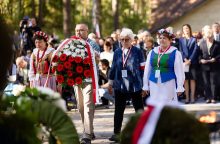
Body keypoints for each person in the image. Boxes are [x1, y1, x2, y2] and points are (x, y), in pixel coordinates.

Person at [108, 28, 145, 142]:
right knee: (118, 110)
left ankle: (143, 132)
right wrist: (110, 82)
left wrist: (145, 86)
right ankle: (116, 133)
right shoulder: (117, 52)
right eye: (122, 39)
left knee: (139, 110)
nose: (124, 42)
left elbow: (143, 69)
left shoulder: (138, 51)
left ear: (132, 40)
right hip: (120, 84)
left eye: (126, 39)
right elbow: (113, 68)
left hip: (135, 85)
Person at [142, 29, 185, 104]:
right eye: (160, 38)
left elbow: (179, 71)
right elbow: (147, 70)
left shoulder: (175, 53)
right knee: (155, 104)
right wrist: (145, 84)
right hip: (153, 82)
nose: (162, 40)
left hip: (168, 82)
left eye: (164, 38)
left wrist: (180, 86)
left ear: (170, 40)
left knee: (167, 105)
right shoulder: (152, 52)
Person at [74, 23, 99, 144]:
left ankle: (87, 135)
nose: (78, 33)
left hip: (89, 79)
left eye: (81, 30)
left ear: (87, 31)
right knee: (80, 107)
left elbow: (98, 58)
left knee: (88, 105)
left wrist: (92, 55)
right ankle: (89, 129)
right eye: (77, 30)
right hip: (76, 79)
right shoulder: (72, 43)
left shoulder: (92, 43)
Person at [198, 25, 220, 103]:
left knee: (213, 82)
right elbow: (199, 53)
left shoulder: (217, 43)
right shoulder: (202, 43)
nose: (209, 38)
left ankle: (213, 98)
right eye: (208, 37)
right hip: (204, 66)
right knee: (206, 82)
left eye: (210, 36)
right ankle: (208, 97)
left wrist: (215, 58)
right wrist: (201, 60)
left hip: (214, 65)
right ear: (205, 36)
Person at [179, 24, 199, 104]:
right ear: (183, 30)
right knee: (186, 80)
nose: (186, 30)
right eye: (184, 28)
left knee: (192, 80)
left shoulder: (194, 39)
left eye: (187, 28)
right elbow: (180, 50)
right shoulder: (181, 40)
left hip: (192, 62)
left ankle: (192, 97)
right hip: (184, 63)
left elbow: (195, 50)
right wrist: (185, 59)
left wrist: (190, 60)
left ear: (189, 29)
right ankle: (187, 98)